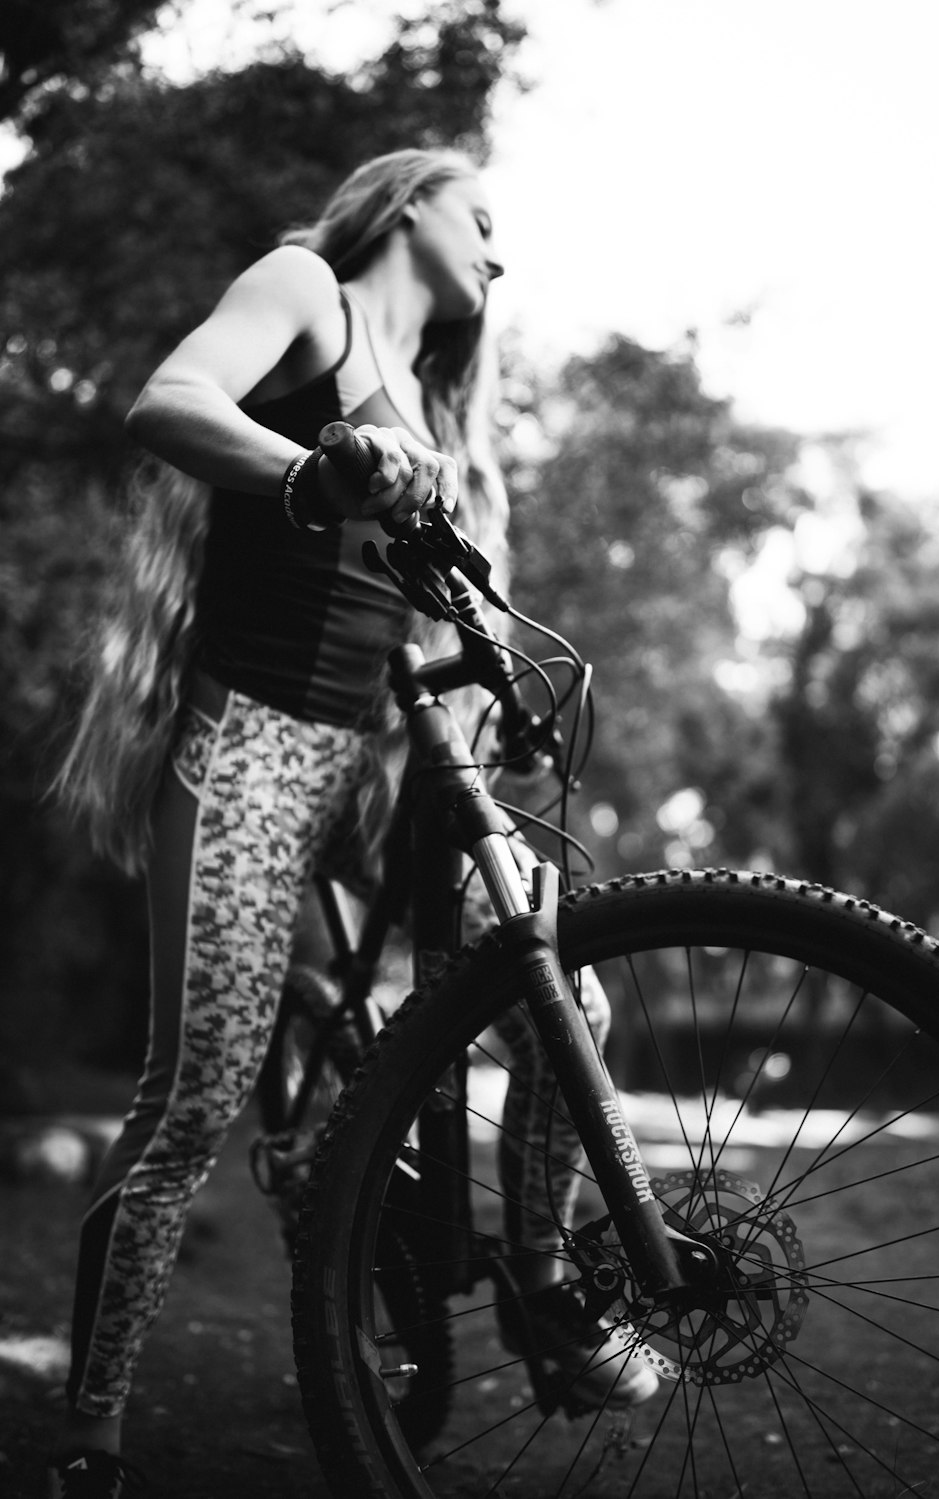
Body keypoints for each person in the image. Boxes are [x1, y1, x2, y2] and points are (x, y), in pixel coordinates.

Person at [48, 148, 655, 1499]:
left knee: (571, 1004)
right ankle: (89, 1433)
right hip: (252, 743)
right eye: (483, 220)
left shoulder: (441, 407)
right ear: (404, 208)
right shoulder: (306, 290)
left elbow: (450, 603)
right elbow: (172, 401)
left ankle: (543, 1282)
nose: (501, 255)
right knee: (190, 1106)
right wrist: (314, 471)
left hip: (382, 756)